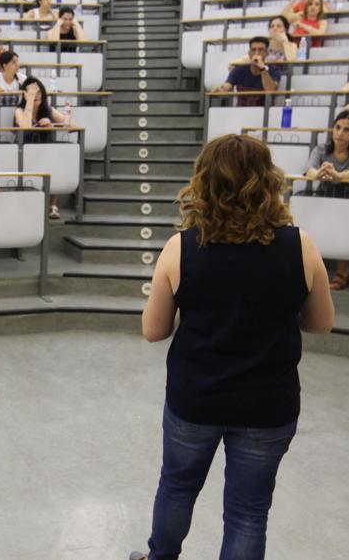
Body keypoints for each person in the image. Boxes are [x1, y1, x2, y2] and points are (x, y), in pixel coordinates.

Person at [132, 134, 334, 560]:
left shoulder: (180, 248)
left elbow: (153, 331)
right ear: (268, 182)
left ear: (204, 182)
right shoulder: (301, 246)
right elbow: (321, 323)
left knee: (177, 487)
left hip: (196, 399)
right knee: (248, 512)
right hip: (268, 404)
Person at [305, 110, 349, 289]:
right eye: (337, 128)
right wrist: (319, 173)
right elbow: (309, 168)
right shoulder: (321, 149)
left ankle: (343, 275)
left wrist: (338, 175)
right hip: (325, 196)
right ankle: (315, 273)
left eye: (346, 130)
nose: (340, 133)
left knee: (344, 232)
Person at [15, 77, 68, 219]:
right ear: (25, 94)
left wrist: (52, 124)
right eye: (32, 92)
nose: (36, 94)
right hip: (25, 153)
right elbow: (25, 127)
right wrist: (30, 101)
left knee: (55, 159)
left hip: (45, 153)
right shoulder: (20, 111)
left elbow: (72, 125)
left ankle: (52, 205)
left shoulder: (49, 110)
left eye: (38, 91)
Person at [212, 37, 280, 107]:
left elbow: (270, 90)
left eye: (260, 50)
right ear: (249, 53)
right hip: (241, 112)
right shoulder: (238, 70)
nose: (256, 53)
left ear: (267, 53)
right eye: (253, 50)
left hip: (265, 113)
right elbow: (227, 86)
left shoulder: (274, 70)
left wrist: (262, 68)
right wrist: (220, 89)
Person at [230, 17, 295, 71]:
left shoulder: (291, 45)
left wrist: (284, 41)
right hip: (264, 75)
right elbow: (249, 57)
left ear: (286, 30)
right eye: (272, 26)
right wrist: (233, 63)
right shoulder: (265, 45)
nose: (275, 28)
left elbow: (292, 62)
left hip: (283, 78)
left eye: (279, 26)